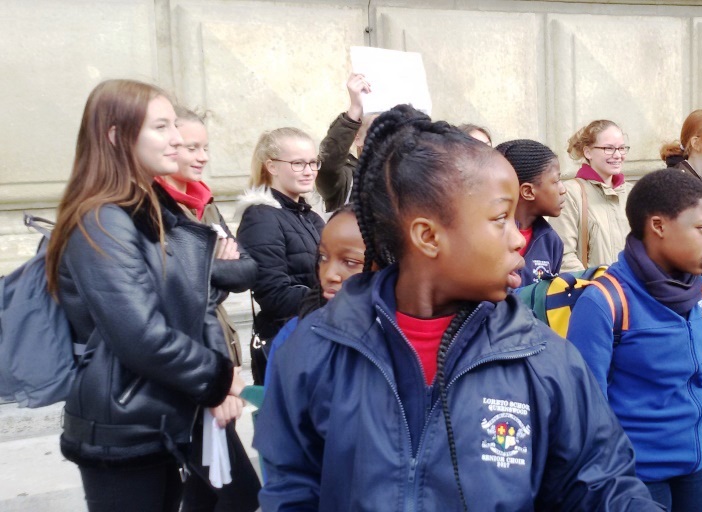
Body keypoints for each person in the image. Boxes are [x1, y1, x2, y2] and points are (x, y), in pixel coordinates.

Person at [253, 105, 661, 511]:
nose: (517, 239)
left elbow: (602, 486)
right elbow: (290, 491)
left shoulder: (544, 359)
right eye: (500, 218)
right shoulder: (315, 349)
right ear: (428, 237)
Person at [46, 79, 244, 512]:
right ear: (116, 136)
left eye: (174, 124)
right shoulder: (102, 218)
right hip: (124, 429)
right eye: (161, 127)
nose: (176, 138)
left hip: (161, 416)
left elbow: (196, 299)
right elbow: (141, 335)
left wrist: (216, 376)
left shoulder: (149, 207)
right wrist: (216, 377)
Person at [566, 170, 702, 511]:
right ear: (659, 226)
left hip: (700, 467)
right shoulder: (603, 302)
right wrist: (606, 486)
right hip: (636, 476)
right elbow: (587, 413)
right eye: (701, 228)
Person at [154, 107, 261, 512]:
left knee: (206, 492)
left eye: (205, 148)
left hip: (216, 354)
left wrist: (209, 273)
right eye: (191, 148)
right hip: (190, 367)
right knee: (240, 494)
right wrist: (215, 269)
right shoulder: (154, 208)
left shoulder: (204, 202)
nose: (202, 157)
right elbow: (180, 293)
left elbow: (246, 270)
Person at [236, 127, 326, 385]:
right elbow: (273, 294)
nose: (309, 171)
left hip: (317, 337)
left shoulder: (310, 217)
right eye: (298, 163)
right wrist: (334, 297)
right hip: (288, 345)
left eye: (313, 162)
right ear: (272, 166)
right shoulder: (261, 216)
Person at [263, 205, 365, 386]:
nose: (329, 274)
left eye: (350, 262)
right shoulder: (294, 335)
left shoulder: (405, 335)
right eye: (323, 257)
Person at [549, 119, 633, 271]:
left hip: (631, 286)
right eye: (608, 148)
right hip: (591, 285)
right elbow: (564, 255)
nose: (617, 155)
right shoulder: (570, 193)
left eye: (621, 148)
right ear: (587, 152)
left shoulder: (633, 193)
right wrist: (596, 282)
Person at [495, 139, 566, 286]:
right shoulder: (491, 235)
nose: (563, 189)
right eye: (556, 181)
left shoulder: (552, 242)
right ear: (528, 191)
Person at [317, 73, 372, 211]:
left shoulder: (404, 173)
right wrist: (355, 109)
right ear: (357, 137)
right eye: (377, 129)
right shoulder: (348, 178)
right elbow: (328, 161)